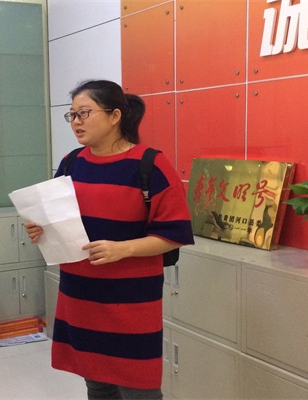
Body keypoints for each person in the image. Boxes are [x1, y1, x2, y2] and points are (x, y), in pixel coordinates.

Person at [25, 80, 194, 400]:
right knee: (97, 385)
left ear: (115, 116)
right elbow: (58, 223)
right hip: (80, 296)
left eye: (84, 113)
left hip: (130, 302)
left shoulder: (150, 164)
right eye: (72, 115)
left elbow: (175, 235)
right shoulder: (72, 163)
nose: (76, 122)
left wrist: (123, 249)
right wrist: (41, 230)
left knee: (139, 388)